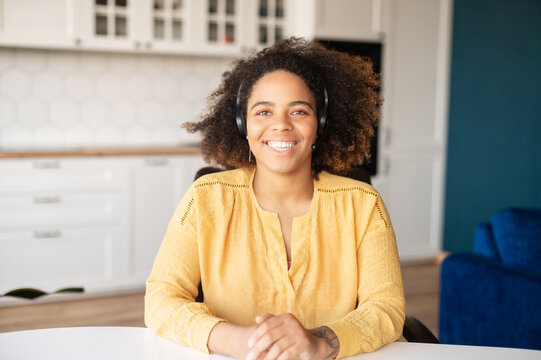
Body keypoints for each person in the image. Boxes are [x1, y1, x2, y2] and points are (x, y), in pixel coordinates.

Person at [145, 37, 405, 360]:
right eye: (263, 111)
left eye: (298, 111)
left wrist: (318, 342)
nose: (280, 125)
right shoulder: (204, 200)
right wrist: (238, 340)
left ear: (319, 124)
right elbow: (160, 299)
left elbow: (386, 308)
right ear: (244, 124)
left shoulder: (364, 205)